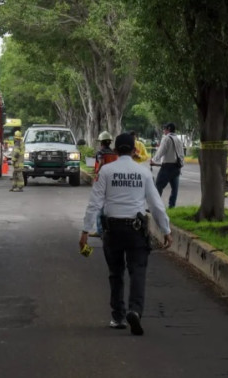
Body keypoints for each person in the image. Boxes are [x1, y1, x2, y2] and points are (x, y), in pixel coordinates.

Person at [80, 133, 173, 335]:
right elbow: (156, 205)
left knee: (116, 273)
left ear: (115, 150)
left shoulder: (106, 171)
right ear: (134, 150)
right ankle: (135, 311)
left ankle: (118, 316)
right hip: (136, 230)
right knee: (137, 271)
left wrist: (86, 231)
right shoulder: (143, 173)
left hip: (112, 230)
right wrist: (166, 230)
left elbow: (95, 202)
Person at [150, 122, 185, 208]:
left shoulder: (166, 139)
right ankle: (172, 206)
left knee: (158, 186)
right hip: (176, 167)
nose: (163, 130)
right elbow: (182, 155)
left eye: (164, 129)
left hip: (167, 167)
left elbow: (161, 151)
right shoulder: (178, 140)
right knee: (174, 188)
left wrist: (153, 160)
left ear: (168, 129)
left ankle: (155, 206)